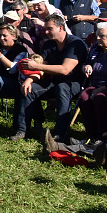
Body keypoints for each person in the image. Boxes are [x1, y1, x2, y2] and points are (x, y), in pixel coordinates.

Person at [13, 13, 88, 142]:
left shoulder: (76, 43)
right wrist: (29, 80)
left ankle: (59, 134)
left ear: (60, 28)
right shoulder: (49, 44)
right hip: (53, 81)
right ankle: (22, 130)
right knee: (29, 89)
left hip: (74, 83)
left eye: (49, 29)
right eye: (45, 28)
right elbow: (42, 67)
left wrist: (37, 66)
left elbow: (65, 70)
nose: (46, 32)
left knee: (62, 88)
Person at [76, 22, 107, 142]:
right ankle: (91, 134)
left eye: (102, 36)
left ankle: (102, 134)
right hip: (95, 84)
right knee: (84, 97)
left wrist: (103, 88)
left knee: (100, 98)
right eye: (98, 35)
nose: (98, 38)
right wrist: (86, 66)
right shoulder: (96, 47)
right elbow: (87, 62)